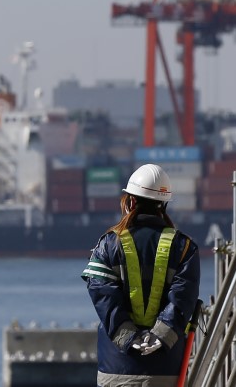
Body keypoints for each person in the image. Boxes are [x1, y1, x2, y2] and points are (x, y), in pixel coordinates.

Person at [81, 164, 200, 387]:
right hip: (167, 369)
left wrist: (128, 338)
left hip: (115, 367)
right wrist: (159, 337)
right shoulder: (184, 247)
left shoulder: (108, 244)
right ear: (163, 204)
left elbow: (104, 297)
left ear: (131, 201)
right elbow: (183, 299)